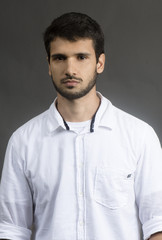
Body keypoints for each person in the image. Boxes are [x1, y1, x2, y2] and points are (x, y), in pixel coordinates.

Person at [0, 12, 162, 240]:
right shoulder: (23, 141)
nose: (70, 69)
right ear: (48, 65)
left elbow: (158, 224)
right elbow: (12, 229)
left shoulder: (139, 136)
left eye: (81, 57)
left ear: (100, 63)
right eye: (60, 58)